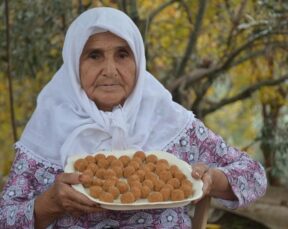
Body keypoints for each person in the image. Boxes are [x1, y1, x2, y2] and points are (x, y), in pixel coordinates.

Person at [0, 7, 267, 229]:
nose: (110, 70)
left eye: (122, 55)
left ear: (138, 61)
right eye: (94, 55)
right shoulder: (49, 126)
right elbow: (5, 217)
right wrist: (49, 205)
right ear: (73, 63)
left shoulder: (171, 124)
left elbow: (254, 175)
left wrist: (212, 180)